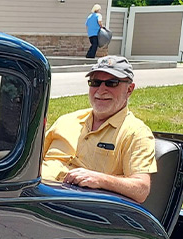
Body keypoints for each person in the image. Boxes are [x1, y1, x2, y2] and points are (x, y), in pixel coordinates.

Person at [42, 56, 156, 203]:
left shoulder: (136, 133)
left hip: (74, 211)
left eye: (111, 83)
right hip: (31, 201)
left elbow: (141, 189)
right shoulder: (66, 120)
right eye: (95, 83)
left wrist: (100, 179)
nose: (101, 90)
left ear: (129, 89)